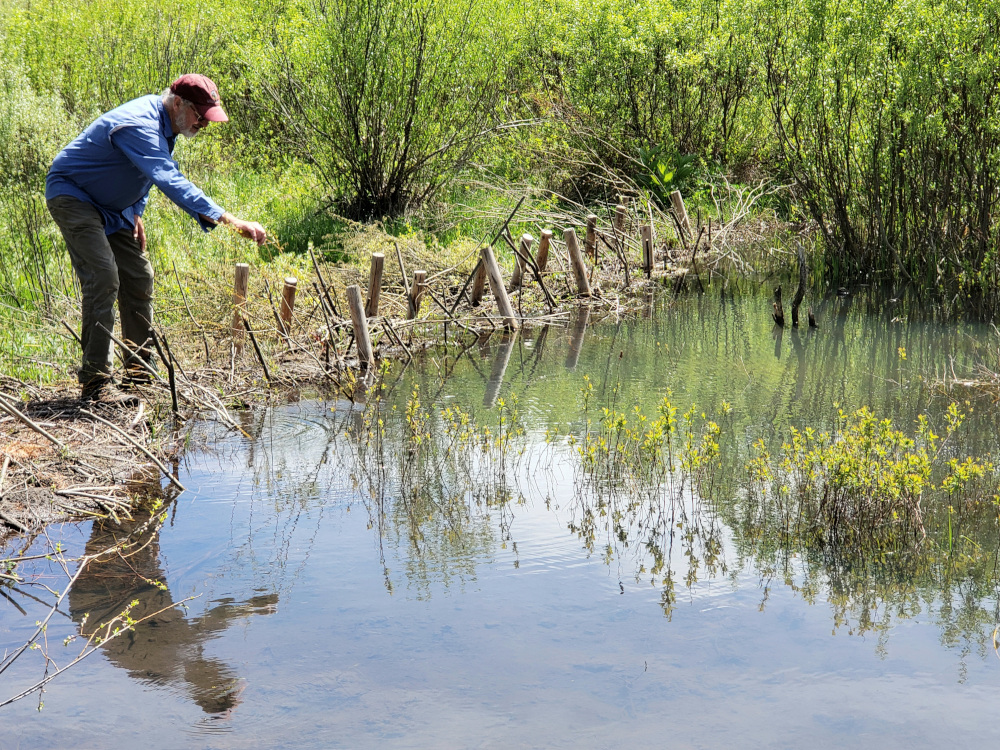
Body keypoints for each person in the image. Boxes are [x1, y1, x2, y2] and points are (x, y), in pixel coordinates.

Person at [46, 74, 267, 405]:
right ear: (178, 103)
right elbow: (167, 178)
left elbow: (142, 173)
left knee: (138, 276)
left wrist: (135, 209)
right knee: (104, 276)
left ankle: (138, 376)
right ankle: (95, 383)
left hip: (112, 208)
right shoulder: (140, 124)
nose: (204, 124)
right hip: (73, 196)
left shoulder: (168, 124)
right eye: (200, 115)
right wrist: (230, 219)